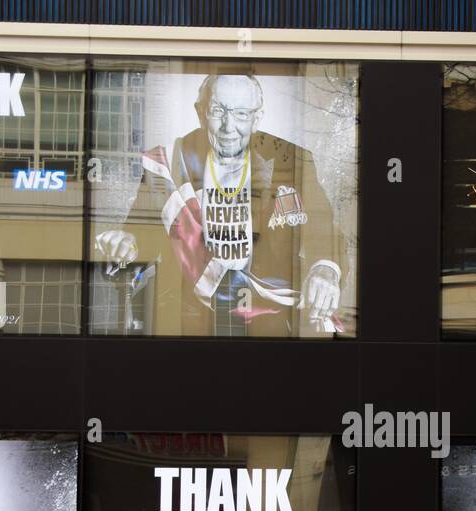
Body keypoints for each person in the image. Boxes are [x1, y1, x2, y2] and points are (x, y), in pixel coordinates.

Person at [95, 72, 344, 337]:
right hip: (190, 319)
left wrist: (324, 271)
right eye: (218, 111)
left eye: (241, 114)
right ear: (201, 113)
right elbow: (140, 236)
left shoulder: (291, 161)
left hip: (269, 322)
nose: (228, 127)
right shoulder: (170, 163)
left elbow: (324, 233)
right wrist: (124, 244)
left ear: (257, 118)